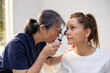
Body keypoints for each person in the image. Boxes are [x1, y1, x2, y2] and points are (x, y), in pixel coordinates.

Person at [0, 9, 65, 73]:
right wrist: (43, 54)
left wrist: (69, 52)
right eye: (56, 30)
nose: (58, 35)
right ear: (42, 29)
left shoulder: (41, 42)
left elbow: (49, 61)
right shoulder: (16, 44)